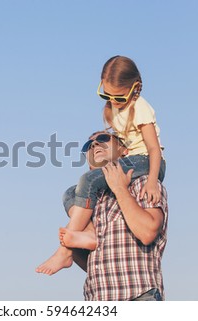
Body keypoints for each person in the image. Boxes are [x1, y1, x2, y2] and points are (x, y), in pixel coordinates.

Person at [36, 56, 166, 275]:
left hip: (147, 160)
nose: (113, 101)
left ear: (135, 88)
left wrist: (152, 181)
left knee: (86, 182)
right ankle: (86, 235)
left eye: (104, 139)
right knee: (71, 191)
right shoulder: (92, 199)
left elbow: (153, 148)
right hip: (102, 296)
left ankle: (64, 251)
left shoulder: (141, 111)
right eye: (106, 95)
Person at [64, 132, 168, 300]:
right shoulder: (88, 203)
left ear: (124, 150)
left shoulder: (144, 183)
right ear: (90, 166)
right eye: (88, 146)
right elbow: (91, 261)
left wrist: (120, 188)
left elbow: (147, 232)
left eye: (102, 139)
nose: (94, 145)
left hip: (138, 296)